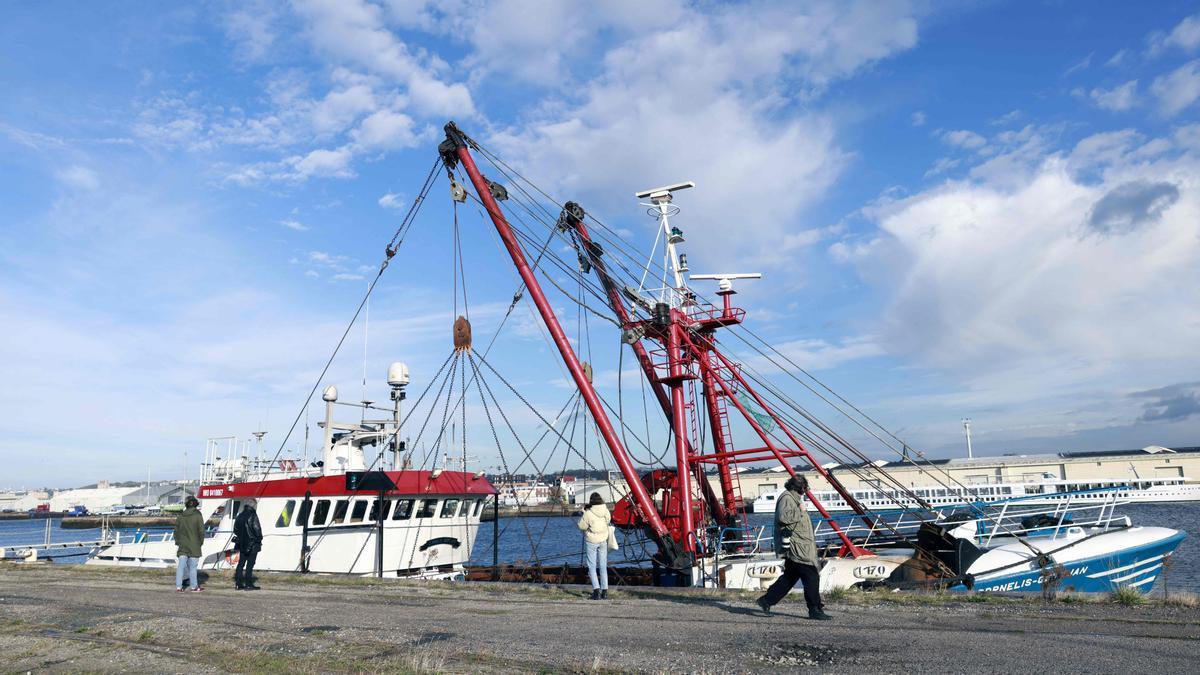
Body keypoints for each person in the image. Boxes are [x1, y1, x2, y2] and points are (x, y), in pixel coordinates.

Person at [756, 475, 831, 620]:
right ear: (800, 487)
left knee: (790, 577)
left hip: (800, 545)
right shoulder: (787, 498)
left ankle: (766, 600)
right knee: (811, 576)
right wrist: (801, 511)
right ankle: (814, 609)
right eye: (805, 487)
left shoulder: (793, 497)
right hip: (797, 546)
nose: (806, 490)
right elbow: (783, 517)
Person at [576, 492, 611, 600]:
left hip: (592, 540)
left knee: (592, 566)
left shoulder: (588, 513)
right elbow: (608, 520)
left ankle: (596, 591)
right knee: (603, 566)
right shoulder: (605, 510)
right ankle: (605, 591)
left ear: (591, 501)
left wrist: (583, 512)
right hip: (603, 539)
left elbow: (581, 526)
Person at [173, 495, 205, 592]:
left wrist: (178, 542)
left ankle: (179, 587)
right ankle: (193, 586)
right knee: (193, 567)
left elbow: (176, 532)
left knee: (181, 566)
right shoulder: (198, 515)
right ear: (195, 504)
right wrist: (200, 543)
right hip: (194, 545)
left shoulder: (181, 516)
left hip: (182, 545)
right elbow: (201, 531)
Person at [233, 498, 263, 590]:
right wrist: (259, 538)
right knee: (250, 564)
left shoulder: (240, 515)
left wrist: (242, 538)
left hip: (242, 543)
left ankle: (238, 584)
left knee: (241, 564)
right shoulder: (253, 515)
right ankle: (248, 584)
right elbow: (257, 530)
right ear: (253, 505)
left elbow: (235, 530)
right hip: (252, 544)